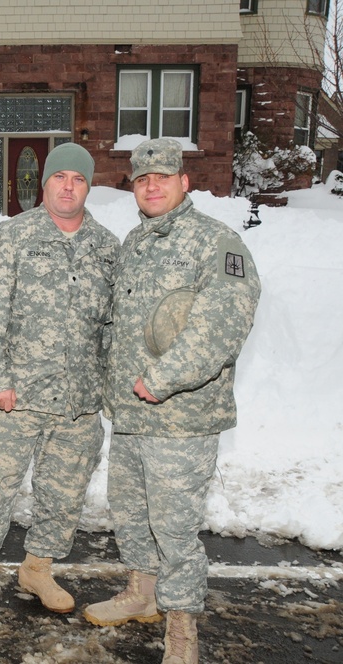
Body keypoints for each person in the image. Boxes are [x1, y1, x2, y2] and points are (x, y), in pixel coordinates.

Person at [83, 138, 261, 664]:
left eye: (161, 177)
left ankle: (182, 626)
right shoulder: (135, 243)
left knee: (175, 527)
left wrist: (162, 378)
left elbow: (221, 327)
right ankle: (142, 594)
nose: (151, 185)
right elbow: (119, 326)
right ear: (133, 188)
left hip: (182, 418)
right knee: (131, 515)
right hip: (132, 416)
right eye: (141, 179)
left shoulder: (217, 244)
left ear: (184, 182)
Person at [0, 143, 120, 642]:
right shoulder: (10, 237)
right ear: (43, 183)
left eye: (79, 179)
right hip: (15, 399)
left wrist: (107, 386)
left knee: (64, 494)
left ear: (89, 187)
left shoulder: (108, 247)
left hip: (78, 401)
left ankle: (37, 567)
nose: (68, 186)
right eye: (59, 177)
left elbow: (112, 326)